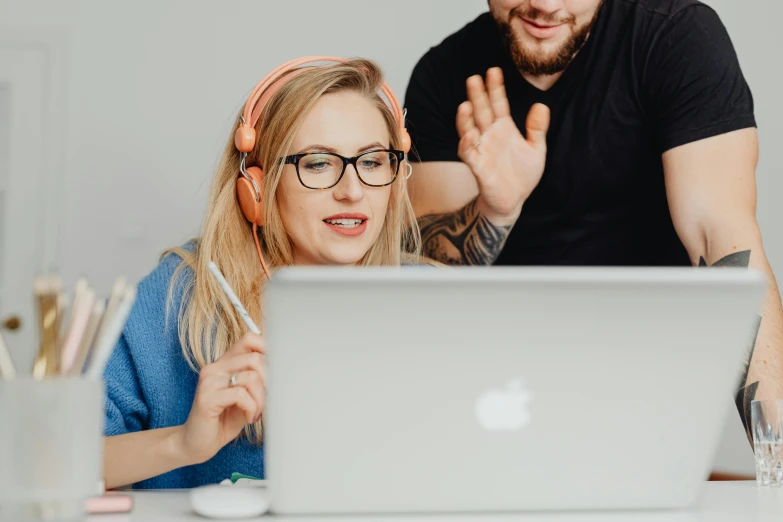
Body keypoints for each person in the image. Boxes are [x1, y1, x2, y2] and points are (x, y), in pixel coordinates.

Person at [403, 0, 782, 445]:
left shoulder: (674, 36)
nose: (544, 6)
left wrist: (775, 454)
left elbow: (723, 240)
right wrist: (494, 210)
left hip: (650, 404)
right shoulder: (443, 72)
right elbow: (427, 278)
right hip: (500, 409)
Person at [102, 57, 423, 490]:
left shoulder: (428, 297)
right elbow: (49, 463)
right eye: (317, 163)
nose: (352, 191)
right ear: (256, 185)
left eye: (372, 161)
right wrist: (183, 444)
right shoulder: (176, 296)